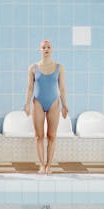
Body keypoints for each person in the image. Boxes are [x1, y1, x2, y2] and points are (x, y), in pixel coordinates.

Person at [24, 40, 68, 174]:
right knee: (39, 136)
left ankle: (49, 165)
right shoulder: (33, 67)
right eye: (44, 47)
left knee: (52, 135)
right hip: (38, 102)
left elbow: (62, 87)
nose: (46, 49)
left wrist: (65, 105)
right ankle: (42, 165)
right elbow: (30, 87)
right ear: (40, 49)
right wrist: (26, 103)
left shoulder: (59, 67)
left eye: (48, 47)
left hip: (54, 103)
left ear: (52, 49)